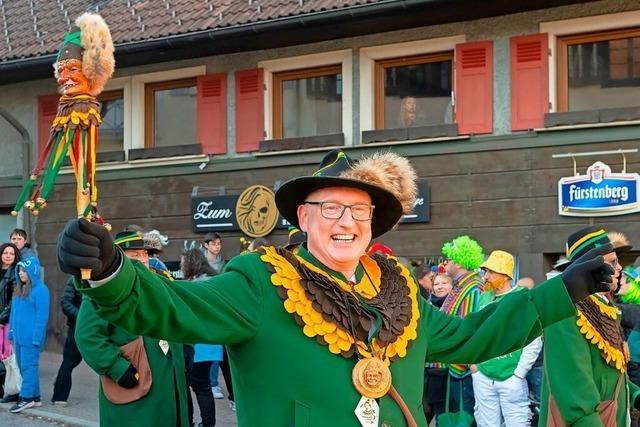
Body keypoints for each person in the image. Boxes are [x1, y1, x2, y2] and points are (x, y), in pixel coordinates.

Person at [58, 149, 615, 426]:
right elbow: (171, 306)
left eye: (359, 210)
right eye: (330, 207)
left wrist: (560, 291)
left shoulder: (398, 287)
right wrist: (111, 271)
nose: (345, 222)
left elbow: (471, 335)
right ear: (302, 216)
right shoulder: (259, 279)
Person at [75, 231, 189, 426]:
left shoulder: (158, 281)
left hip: (168, 386)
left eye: (145, 254)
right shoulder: (105, 289)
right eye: (135, 255)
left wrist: (185, 348)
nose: (143, 259)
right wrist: (117, 368)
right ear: (118, 258)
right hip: (134, 386)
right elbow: (88, 336)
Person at [540, 227, 640, 426]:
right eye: (613, 262)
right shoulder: (565, 313)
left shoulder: (606, 309)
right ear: (589, 268)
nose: (620, 268)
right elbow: (576, 399)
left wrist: (635, 395)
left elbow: (609, 376)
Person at [471, 250, 542, 427]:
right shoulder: (484, 297)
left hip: (511, 376)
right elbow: (475, 331)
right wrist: (475, 365)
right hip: (483, 375)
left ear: (505, 275)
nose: (486, 276)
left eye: (491, 272)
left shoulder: (521, 298)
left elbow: (533, 338)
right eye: (485, 271)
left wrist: (519, 374)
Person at [438, 235, 485, 421]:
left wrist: (464, 358)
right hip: (455, 363)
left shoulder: (472, 288)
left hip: (463, 367)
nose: (445, 263)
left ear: (458, 262)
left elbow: (468, 327)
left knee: (466, 417)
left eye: (448, 259)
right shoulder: (460, 286)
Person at [181, 248, 220, 427]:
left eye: (183, 261)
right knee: (203, 387)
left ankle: (192, 422)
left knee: (192, 386)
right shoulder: (213, 281)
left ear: (190, 263)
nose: (181, 264)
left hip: (197, 345)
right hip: (212, 343)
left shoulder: (194, 286)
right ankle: (207, 423)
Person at [8, 257, 50, 413]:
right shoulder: (19, 289)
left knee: (29, 367)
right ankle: (35, 397)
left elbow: (42, 317)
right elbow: (14, 313)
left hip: (31, 339)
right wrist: (11, 332)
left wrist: (36, 338)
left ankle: (26, 398)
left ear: (32, 271)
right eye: (19, 270)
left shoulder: (41, 290)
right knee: (23, 366)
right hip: (19, 338)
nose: (21, 273)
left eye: (24, 270)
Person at [51, 277, 83, 407]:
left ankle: (60, 379)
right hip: (78, 327)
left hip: (99, 327)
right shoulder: (75, 280)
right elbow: (66, 302)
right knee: (69, 361)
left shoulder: (103, 278)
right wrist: (82, 316)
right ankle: (60, 396)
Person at [0, 242, 20, 401]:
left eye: (11, 253)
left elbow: (13, 299)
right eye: (5, 253)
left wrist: (2, 317)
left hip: (5, 321)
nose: (8, 256)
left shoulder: (15, 274)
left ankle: (12, 391)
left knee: (7, 357)